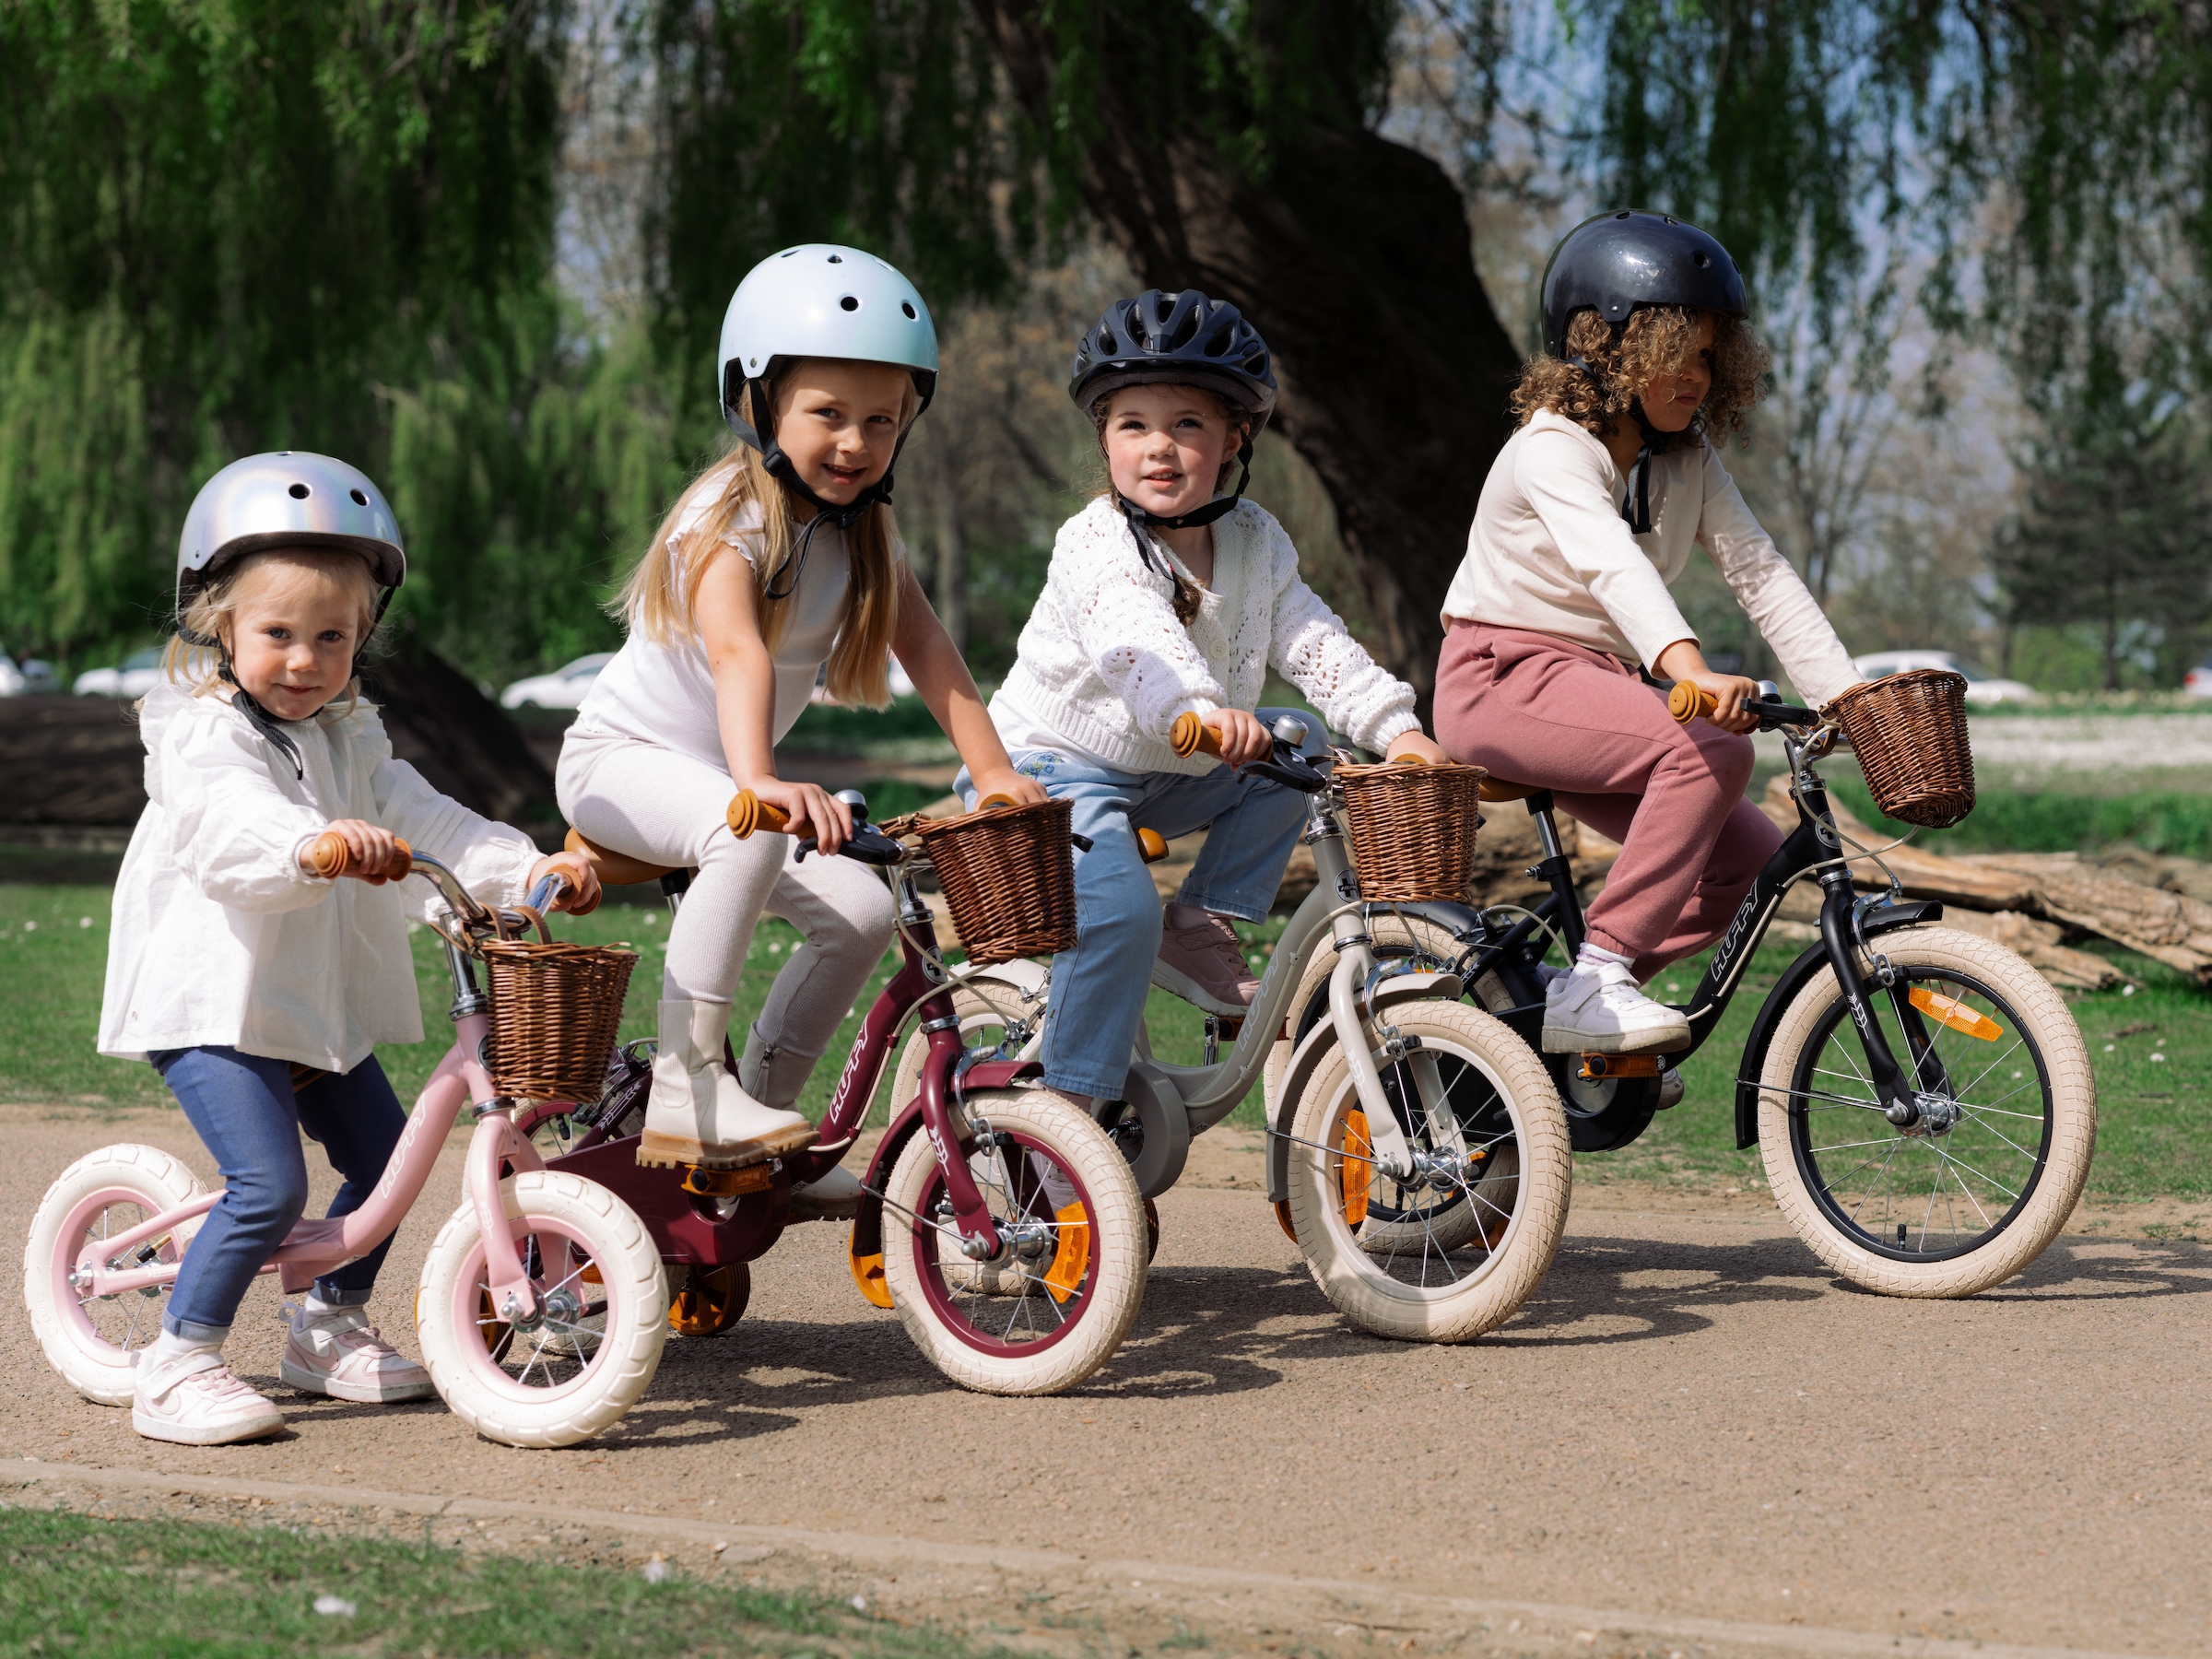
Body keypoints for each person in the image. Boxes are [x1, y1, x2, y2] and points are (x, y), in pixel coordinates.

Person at [100, 452, 600, 1446]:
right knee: (269, 1184)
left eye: (332, 637)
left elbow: (430, 818)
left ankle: (325, 1324)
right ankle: (178, 1360)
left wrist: (526, 868)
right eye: (278, 634)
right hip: (215, 1002)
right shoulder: (203, 735)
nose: (305, 660)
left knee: (385, 1158)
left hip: (309, 1003)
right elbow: (229, 822)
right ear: (220, 625)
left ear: (363, 637)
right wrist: (308, 844)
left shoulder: (350, 739)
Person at [559, 244, 1043, 1196]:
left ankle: (758, 1134)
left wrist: (992, 774)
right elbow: (738, 653)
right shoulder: (726, 517)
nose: (856, 442)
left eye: (882, 419)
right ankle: (686, 1088)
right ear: (758, 403)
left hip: (719, 783)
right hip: (620, 762)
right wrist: (759, 782)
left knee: (862, 914)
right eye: (829, 413)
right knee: (743, 833)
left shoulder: (861, 533)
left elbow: (928, 648)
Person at [970, 288, 1447, 1110]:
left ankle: (1199, 924)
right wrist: (1194, 706)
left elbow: (1314, 640)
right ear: (1104, 438)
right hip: (1049, 767)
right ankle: (1066, 1117)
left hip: (1171, 763)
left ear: (1235, 437)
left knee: (1300, 742)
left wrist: (1398, 731)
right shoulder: (1095, 541)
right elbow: (1133, 639)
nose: (1159, 446)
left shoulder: (1255, 538)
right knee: (1120, 913)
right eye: (1133, 424)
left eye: (1187, 423)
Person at [1432, 209, 1861, 1057]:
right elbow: (1611, 565)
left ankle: (1568, 1013)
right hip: (1499, 678)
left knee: (1746, 863)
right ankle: (1598, 977)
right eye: (1678, 352)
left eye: (1711, 356)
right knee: (1712, 752)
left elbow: (1760, 572)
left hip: (1596, 689)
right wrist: (1689, 670)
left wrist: (1846, 695)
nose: (1698, 374)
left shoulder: (1686, 460)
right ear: (1607, 346)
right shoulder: (1551, 447)